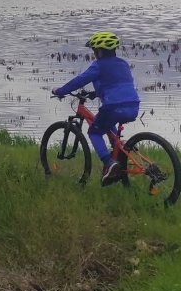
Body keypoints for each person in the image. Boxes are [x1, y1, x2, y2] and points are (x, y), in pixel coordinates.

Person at [52, 31, 141, 185]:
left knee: (94, 132)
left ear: (99, 51)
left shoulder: (98, 65)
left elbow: (79, 81)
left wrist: (60, 91)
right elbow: (116, 84)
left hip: (113, 107)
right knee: (107, 124)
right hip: (133, 106)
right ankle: (118, 156)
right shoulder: (123, 64)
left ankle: (110, 163)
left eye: (94, 51)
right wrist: (96, 93)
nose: (94, 54)